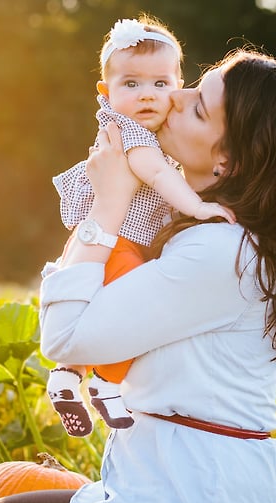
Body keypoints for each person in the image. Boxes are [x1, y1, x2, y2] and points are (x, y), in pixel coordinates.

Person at [0, 46, 276, 503]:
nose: (174, 97)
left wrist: (109, 201)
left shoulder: (223, 252)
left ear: (230, 161)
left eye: (198, 108)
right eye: (191, 86)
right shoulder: (186, 222)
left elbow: (66, 338)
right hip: (145, 484)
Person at [48, 16, 235, 437]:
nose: (147, 95)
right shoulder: (131, 133)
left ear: (177, 84)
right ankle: (106, 382)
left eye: (160, 84)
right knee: (121, 314)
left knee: (96, 311)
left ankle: (66, 377)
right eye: (131, 84)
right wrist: (197, 207)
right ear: (105, 92)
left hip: (113, 238)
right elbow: (159, 175)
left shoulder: (143, 131)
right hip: (120, 242)